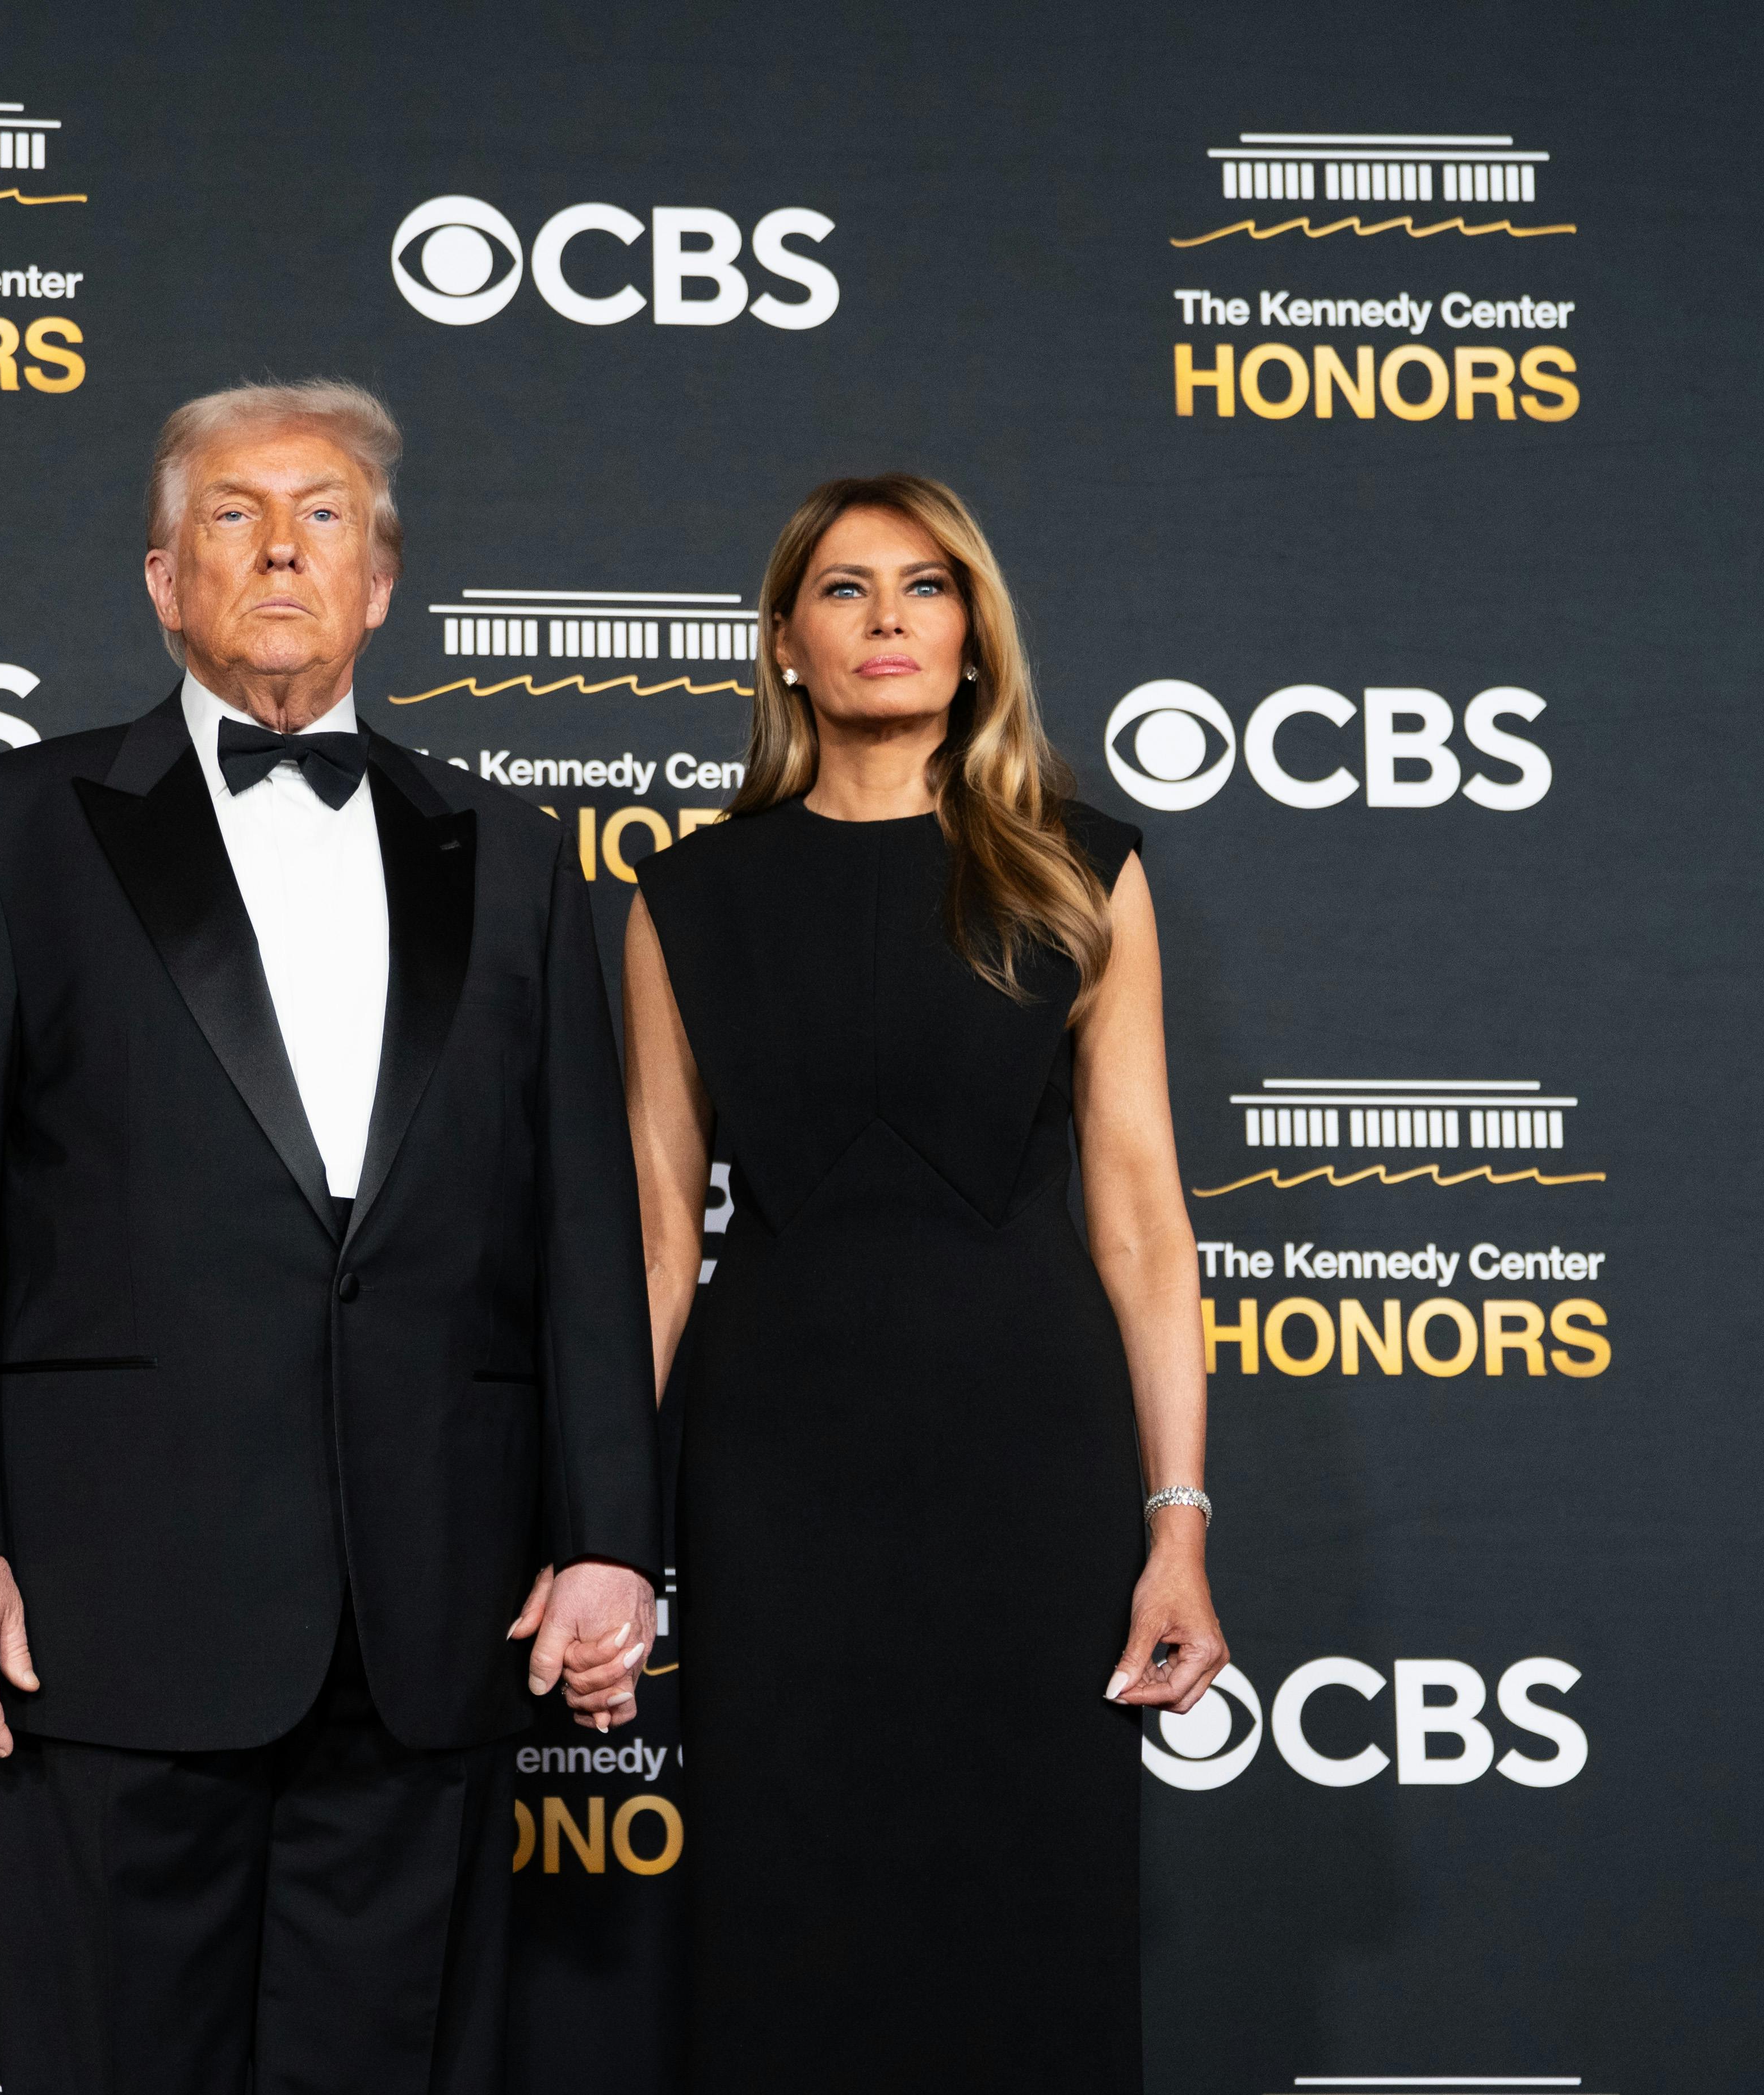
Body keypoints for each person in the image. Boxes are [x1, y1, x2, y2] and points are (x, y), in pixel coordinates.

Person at [0, 378, 660, 2095]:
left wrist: (611, 1536)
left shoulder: (512, 853)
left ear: (383, 583)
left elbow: (582, 1220)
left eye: (324, 514)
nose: (281, 544)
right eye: (233, 513)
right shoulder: (11, 829)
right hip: (108, 1604)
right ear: (161, 577)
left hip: (430, 1602)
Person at [622, 474, 1229, 2091]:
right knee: (785, 1907)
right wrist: (602, 1522)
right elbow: (658, 1235)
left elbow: (1146, 1224)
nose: (887, 618)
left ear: (974, 645)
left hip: (1031, 1460)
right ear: (785, 646)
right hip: (774, 1473)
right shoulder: (689, 895)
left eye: (926, 587)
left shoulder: (1084, 873)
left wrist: (1178, 1522)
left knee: (1031, 1905)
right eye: (844, 589)